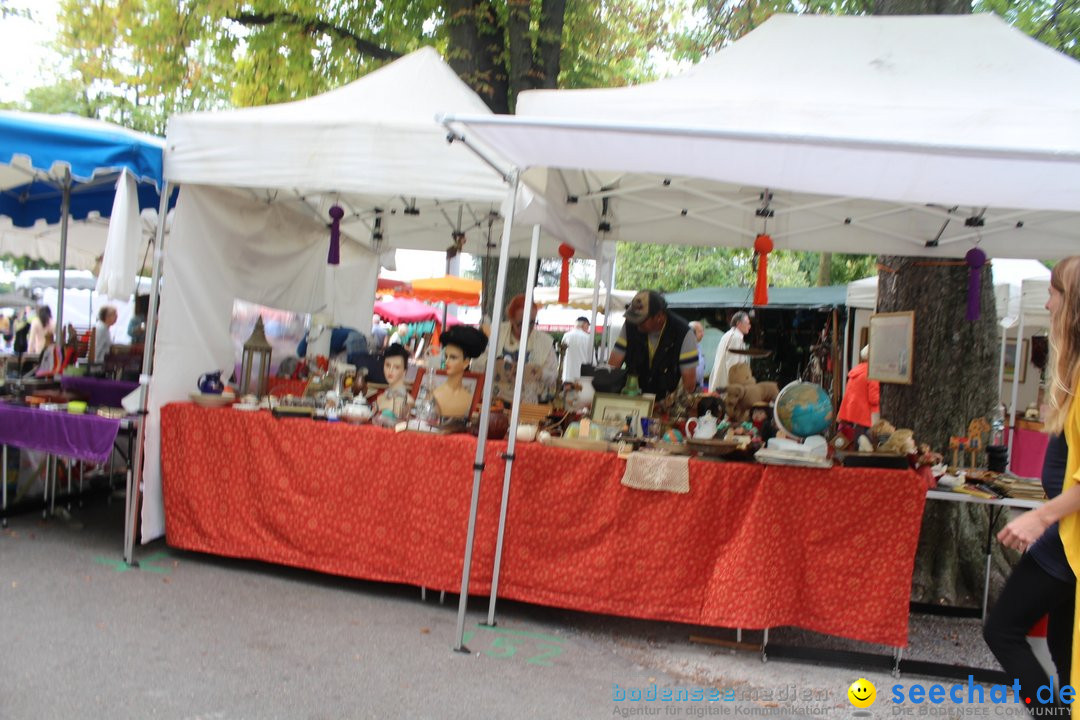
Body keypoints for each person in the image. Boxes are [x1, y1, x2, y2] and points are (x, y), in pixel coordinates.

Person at [990, 256, 1080, 715]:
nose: (1046, 303)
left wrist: (1040, 518)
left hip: (1067, 540)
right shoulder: (1074, 375)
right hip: (1065, 539)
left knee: (1002, 629)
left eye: (1054, 293)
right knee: (1067, 658)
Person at [606, 290, 698, 402]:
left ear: (659, 316)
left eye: (641, 320)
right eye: (634, 317)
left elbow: (689, 385)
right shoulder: (630, 325)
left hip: (666, 404)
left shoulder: (684, 333)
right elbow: (613, 366)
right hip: (633, 399)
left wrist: (669, 404)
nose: (636, 323)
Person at [475, 294, 559, 405]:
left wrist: (540, 373)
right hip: (495, 404)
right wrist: (494, 365)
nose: (527, 328)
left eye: (532, 323)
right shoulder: (495, 333)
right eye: (521, 323)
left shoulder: (544, 341)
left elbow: (553, 377)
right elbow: (476, 365)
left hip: (528, 407)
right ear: (511, 319)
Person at [433, 325, 488, 419]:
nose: (447, 362)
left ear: (466, 363)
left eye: (453, 357)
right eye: (446, 357)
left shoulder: (469, 399)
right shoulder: (435, 395)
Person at [836, 345, 880, 442]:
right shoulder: (872, 373)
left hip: (851, 412)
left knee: (855, 438)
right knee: (865, 440)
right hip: (864, 414)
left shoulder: (856, 370)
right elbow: (874, 399)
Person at [708, 311, 750, 395]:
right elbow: (733, 365)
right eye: (747, 323)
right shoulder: (735, 337)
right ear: (738, 323)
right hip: (727, 387)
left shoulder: (730, 335)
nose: (749, 326)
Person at [375, 343, 413, 420]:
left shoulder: (408, 401)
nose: (390, 370)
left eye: (396, 367)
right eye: (388, 365)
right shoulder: (381, 397)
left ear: (404, 371)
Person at [561, 316, 594, 385]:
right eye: (587, 326)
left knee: (566, 394)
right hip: (582, 376)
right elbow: (592, 360)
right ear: (584, 324)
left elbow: (562, 355)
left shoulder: (566, 336)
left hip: (567, 375)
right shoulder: (588, 338)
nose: (588, 329)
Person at [689, 320, 706, 390]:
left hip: (699, 387)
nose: (703, 334)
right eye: (700, 331)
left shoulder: (698, 346)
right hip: (690, 387)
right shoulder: (687, 347)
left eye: (703, 331)